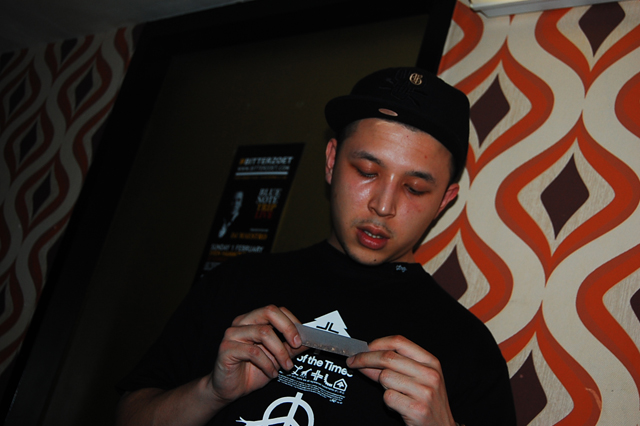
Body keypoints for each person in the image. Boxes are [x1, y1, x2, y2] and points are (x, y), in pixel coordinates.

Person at [115, 67, 516, 426]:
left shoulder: (468, 348)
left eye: (414, 188)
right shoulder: (234, 282)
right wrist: (211, 392)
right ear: (331, 161)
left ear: (444, 201)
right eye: (367, 171)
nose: (383, 206)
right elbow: (129, 415)